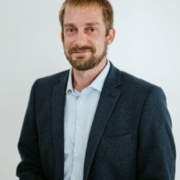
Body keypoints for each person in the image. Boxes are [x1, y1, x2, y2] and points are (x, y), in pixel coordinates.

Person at [16, 0, 176, 180]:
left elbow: (158, 175)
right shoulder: (41, 91)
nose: (79, 41)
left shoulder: (146, 98)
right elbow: (30, 166)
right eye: (71, 30)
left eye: (91, 29)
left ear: (110, 35)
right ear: (62, 36)